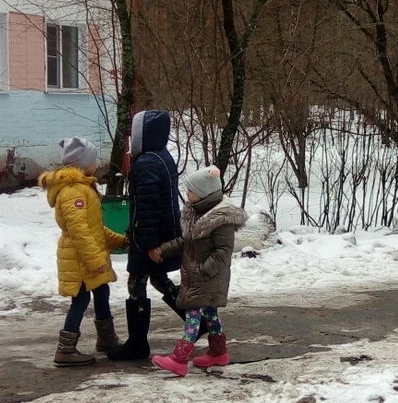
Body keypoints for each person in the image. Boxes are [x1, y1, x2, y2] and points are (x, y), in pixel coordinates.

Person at [109, 109, 202, 361]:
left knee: (136, 285)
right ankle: (197, 321)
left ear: (145, 134)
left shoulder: (146, 163)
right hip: (160, 232)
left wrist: (148, 243)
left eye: (135, 132)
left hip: (151, 237)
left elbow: (149, 206)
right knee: (159, 280)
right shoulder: (161, 157)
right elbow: (151, 204)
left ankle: (137, 344)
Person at [152, 166, 248, 376]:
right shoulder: (196, 212)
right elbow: (186, 242)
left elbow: (224, 251)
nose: (187, 195)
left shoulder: (221, 219)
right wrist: (163, 250)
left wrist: (203, 271)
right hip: (200, 276)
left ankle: (180, 358)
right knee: (211, 313)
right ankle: (218, 352)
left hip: (208, 276)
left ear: (204, 193)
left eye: (190, 191)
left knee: (193, 314)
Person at [39, 138, 126, 367]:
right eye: (93, 159)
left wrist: (120, 241)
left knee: (101, 291)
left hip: (86, 255)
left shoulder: (83, 188)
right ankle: (65, 349)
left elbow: (93, 227)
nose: (96, 163)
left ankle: (106, 339)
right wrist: (96, 260)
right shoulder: (73, 192)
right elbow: (79, 232)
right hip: (79, 258)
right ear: (82, 163)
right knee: (81, 298)